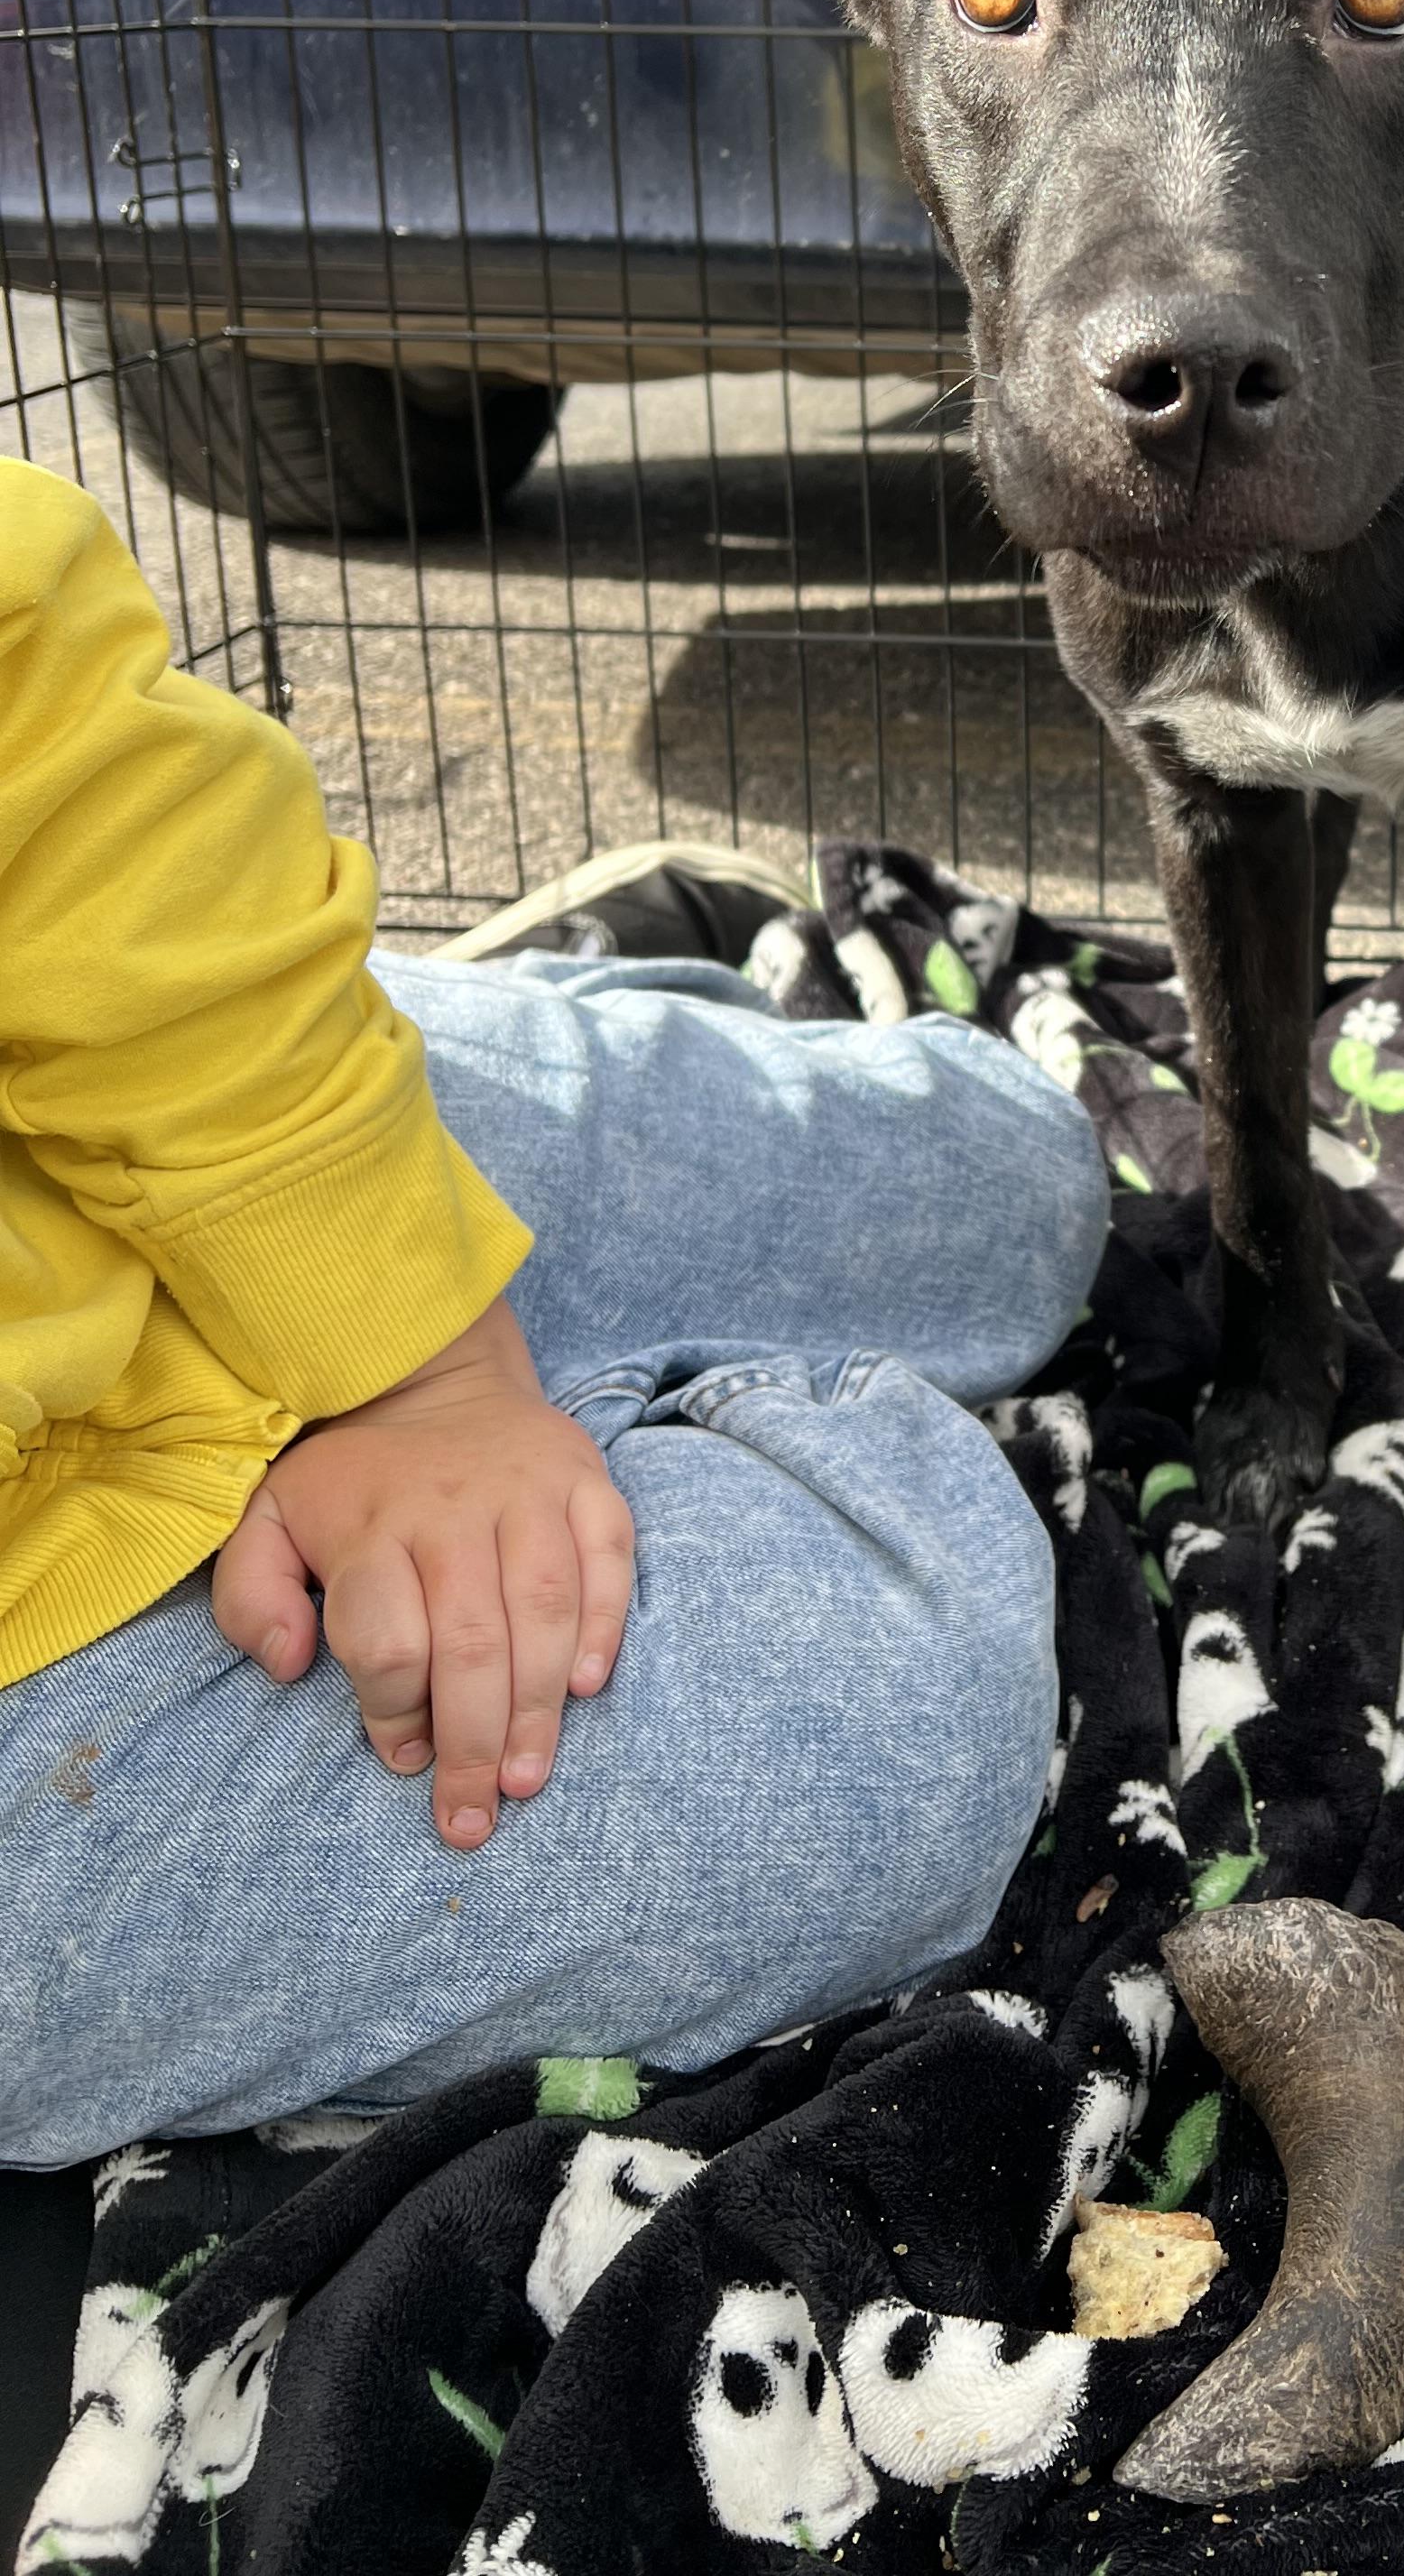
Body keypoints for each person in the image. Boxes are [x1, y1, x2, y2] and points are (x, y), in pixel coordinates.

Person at [0, 459, 1108, 2172]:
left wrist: (428, 1363)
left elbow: (45, 700)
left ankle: (457, 1038)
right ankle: (620, 1396)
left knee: (1029, 1190)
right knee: (916, 1725)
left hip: (112, 1128)